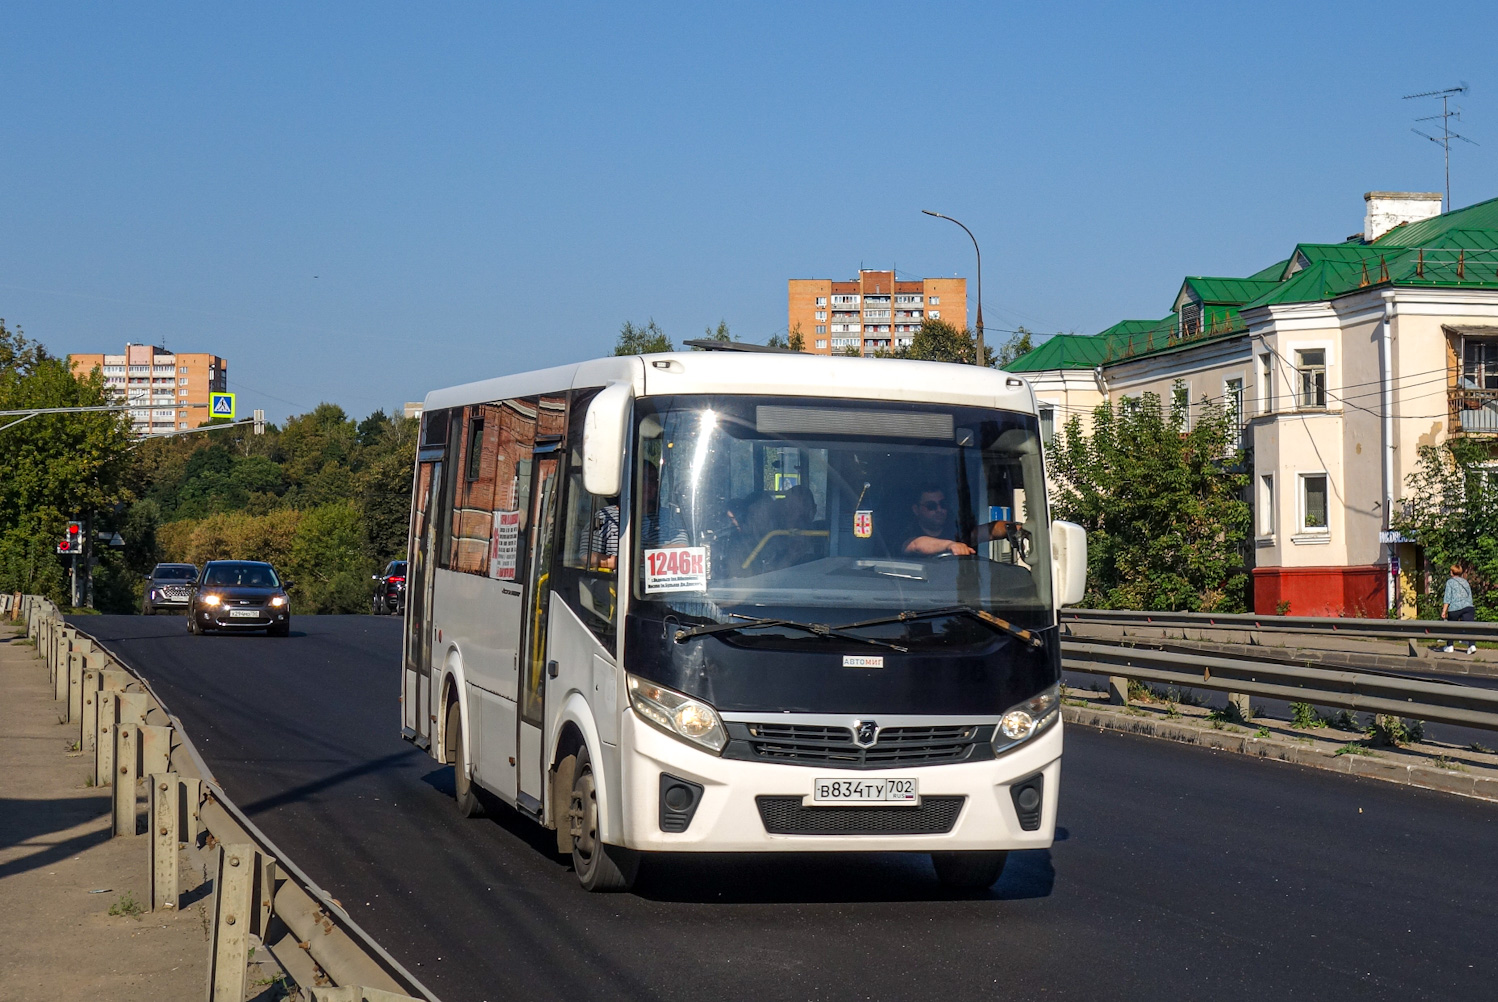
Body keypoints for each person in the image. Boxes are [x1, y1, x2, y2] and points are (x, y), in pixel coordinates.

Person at [901, 485, 1010, 556]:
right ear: (916, 509)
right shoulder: (906, 534)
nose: (940, 510)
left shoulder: (956, 532)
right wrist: (950, 545)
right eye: (931, 506)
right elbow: (916, 545)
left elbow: (987, 531)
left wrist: (1014, 528)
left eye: (943, 504)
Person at [1442, 560, 1478, 655]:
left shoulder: (1450, 582)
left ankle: (1450, 646)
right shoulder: (1465, 582)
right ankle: (1472, 645)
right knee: (1470, 627)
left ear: (1452, 572)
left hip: (1455, 607)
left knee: (1451, 627)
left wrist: (1444, 611)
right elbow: (1469, 595)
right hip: (1468, 607)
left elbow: (1447, 597)